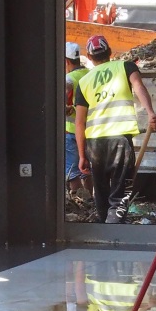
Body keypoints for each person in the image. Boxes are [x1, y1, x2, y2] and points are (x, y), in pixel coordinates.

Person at [74, 34, 156, 224]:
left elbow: (79, 122)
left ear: (89, 57)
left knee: (101, 189)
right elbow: (138, 85)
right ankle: (116, 226)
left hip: (95, 143)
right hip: (120, 138)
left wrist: (82, 155)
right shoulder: (125, 66)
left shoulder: (84, 82)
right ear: (110, 52)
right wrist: (150, 112)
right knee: (121, 188)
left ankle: (105, 225)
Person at [64, 41, 91, 200]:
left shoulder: (69, 78)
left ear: (67, 61)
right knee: (87, 170)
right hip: (91, 131)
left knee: (72, 172)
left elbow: (63, 98)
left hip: (72, 131)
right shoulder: (89, 74)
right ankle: (91, 200)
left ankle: (81, 201)